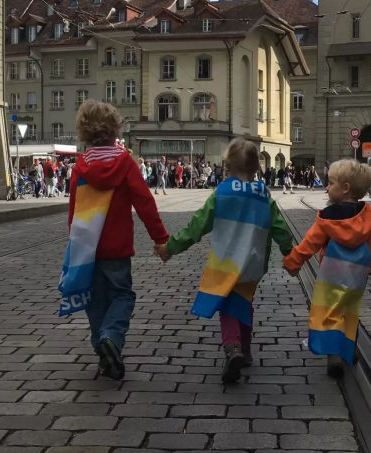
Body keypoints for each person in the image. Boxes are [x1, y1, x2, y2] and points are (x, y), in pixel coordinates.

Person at [155, 138, 292, 383]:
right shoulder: (264, 195)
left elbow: (197, 226)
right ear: (256, 169)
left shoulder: (222, 192)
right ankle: (246, 349)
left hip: (225, 262)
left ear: (227, 169)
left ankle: (233, 347)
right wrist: (291, 254)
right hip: (253, 263)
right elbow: (280, 228)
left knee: (227, 304)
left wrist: (171, 248)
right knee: (244, 302)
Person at [59, 100, 169, 381]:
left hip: (87, 247)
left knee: (95, 301)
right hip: (117, 248)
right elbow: (144, 203)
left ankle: (103, 351)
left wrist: (73, 243)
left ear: (83, 132)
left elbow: (73, 210)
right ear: (115, 129)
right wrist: (161, 238)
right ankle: (111, 337)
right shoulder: (125, 163)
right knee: (122, 295)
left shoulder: (80, 166)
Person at [282, 159, 371, 377]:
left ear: (345, 188)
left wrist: (292, 262)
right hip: (358, 274)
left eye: (330, 183)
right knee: (349, 310)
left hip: (331, 274)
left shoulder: (327, 218)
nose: (326, 187)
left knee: (328, 310)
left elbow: (309, 244)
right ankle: (348, 347)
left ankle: (333, 353)